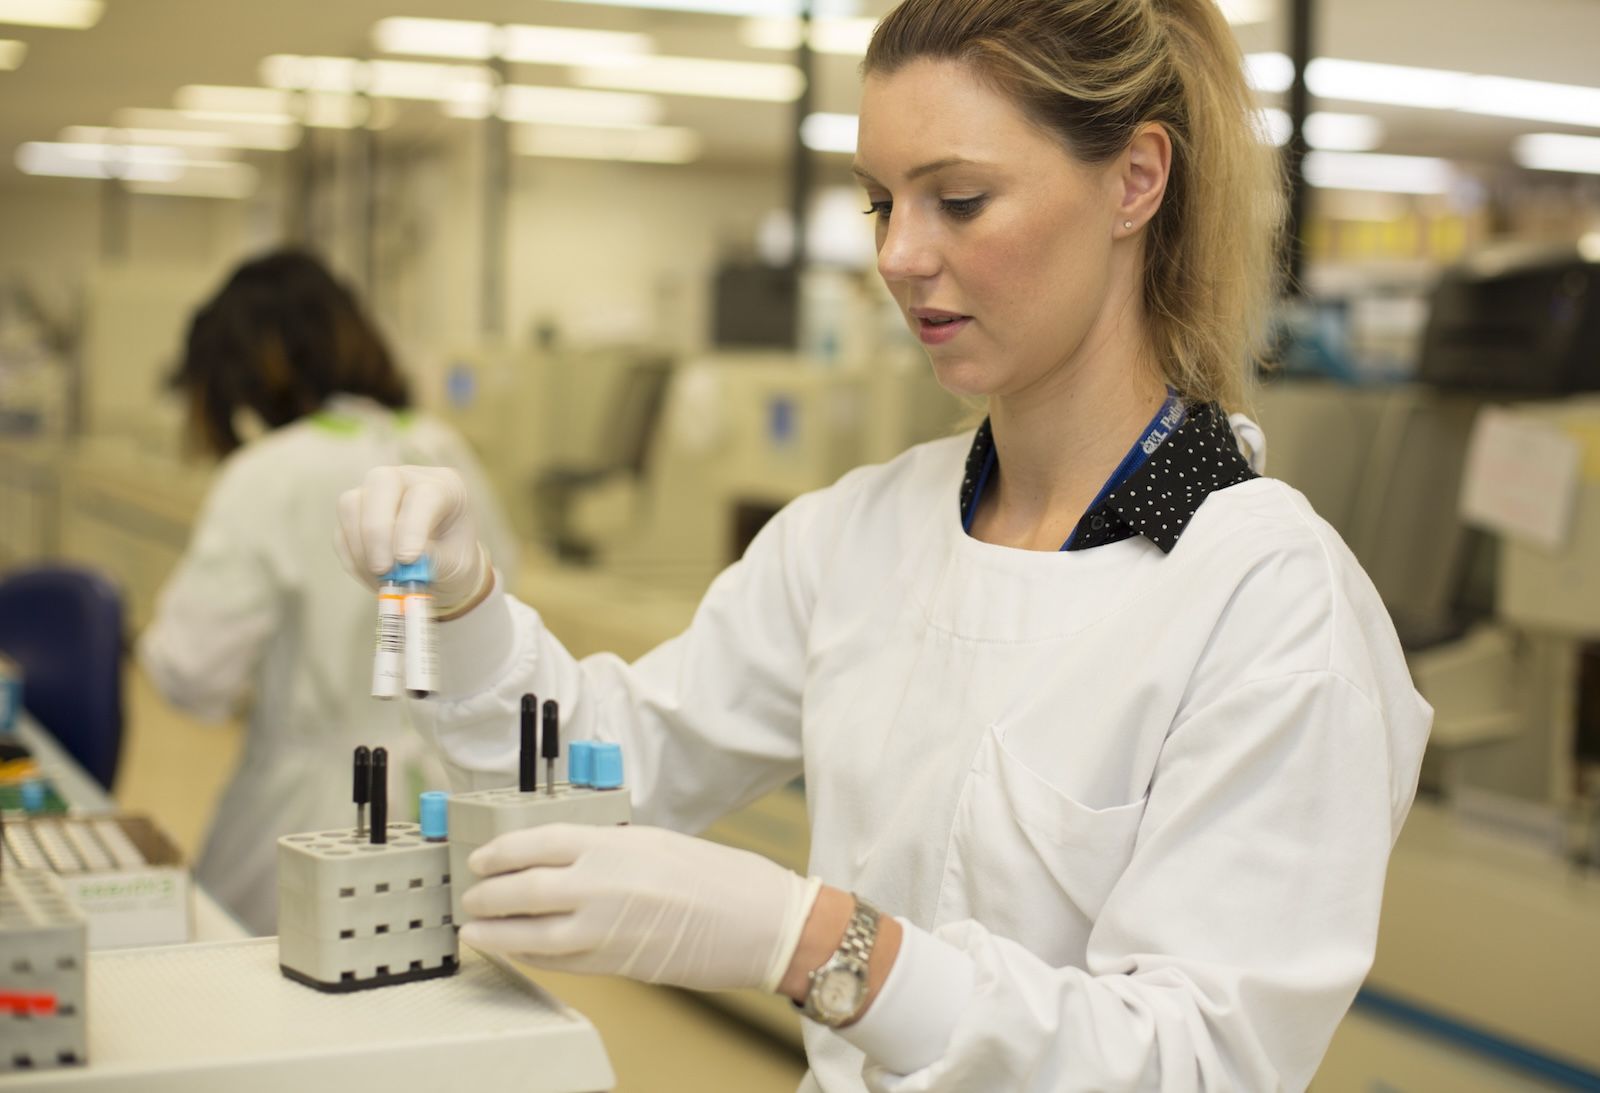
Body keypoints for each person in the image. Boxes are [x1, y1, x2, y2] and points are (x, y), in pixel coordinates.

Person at [335, 0, 1430, 1088]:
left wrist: (815, 942)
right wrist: (464, 602)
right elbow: (611, 772)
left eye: (959, 200)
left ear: (1135, 180)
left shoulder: (1264, 601)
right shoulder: (861, 532)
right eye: (877, 203)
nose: (900, 256)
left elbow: (1194, 1064)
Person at [139, 249, 516, 935]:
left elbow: (191, 674)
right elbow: (500, 623)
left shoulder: (268, 474)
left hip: (302, 816)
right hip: (450, 813)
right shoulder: (445, 448)